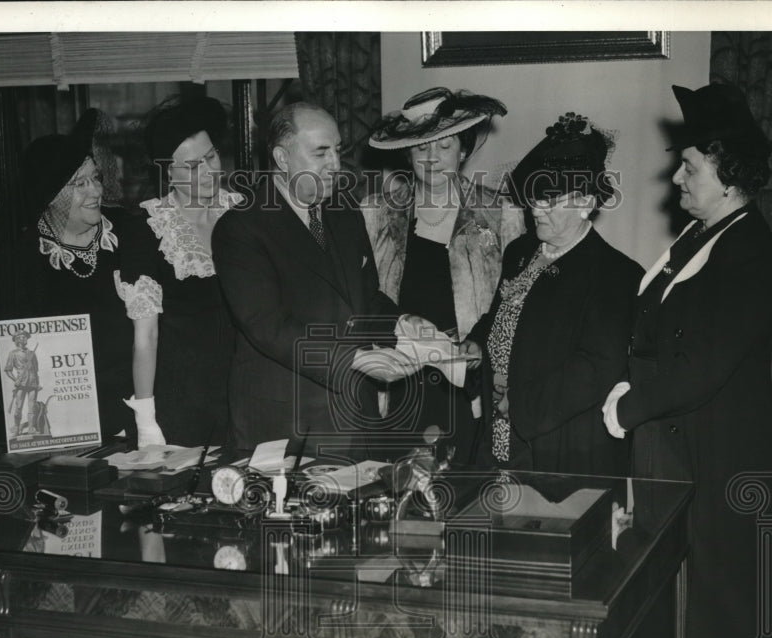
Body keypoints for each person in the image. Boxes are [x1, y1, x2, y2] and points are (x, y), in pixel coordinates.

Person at [601, 83, 772, 638]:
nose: (677, 176)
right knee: (687, 590)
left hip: (720, 448)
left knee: (719, 588)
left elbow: (702, 361)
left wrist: (630, 404)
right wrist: (631, 388)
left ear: (728, 172)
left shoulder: (749, 249)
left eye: (691, 166)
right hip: (680, 448)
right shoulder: (703, 237)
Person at [212, 102, 423, 456]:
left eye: (338, 151)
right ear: (282, 158)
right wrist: (355, 359)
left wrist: (403, 321)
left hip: (357, 417)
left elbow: (365, 298)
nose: (336, 166)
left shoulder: (345, 210)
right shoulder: (241, 227)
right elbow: (269, 326)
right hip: (286, 425)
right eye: (321, 153)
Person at [463, 112, 641, 474]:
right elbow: (504, 316)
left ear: (587, 203)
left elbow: (596, 367)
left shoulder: (616, 274)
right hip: (495, 438)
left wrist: (516, 407)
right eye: (534, 198)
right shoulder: (520, 252)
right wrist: (477, 343)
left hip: (558, 448)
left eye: (550, 200)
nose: (535, 209)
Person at [363, 87, 525, 463]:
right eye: (421, 147)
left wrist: (481, 344)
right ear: (407, 152)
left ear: (464, 150)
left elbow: (515, 300)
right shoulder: (375, 214)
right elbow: (364, 295)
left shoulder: (501, 213)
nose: (432, 158)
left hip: (467, 382)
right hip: (401, 379)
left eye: (445, 146)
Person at [0, 108, 135, 441]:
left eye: (96, 177)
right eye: (79, 183)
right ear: (51, 193)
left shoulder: (127, 234)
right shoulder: (20, 259)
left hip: (136, 410)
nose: (96, 191)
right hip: (62, 421)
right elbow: (20, 355)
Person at [115, 96, 241, 447]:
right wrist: (146, 419)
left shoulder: (244, 213)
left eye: (211, 157)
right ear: (166, 171)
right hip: (182, 404)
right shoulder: (148, 228)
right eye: (192, 166)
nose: (209, 172)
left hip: (245, 399)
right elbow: (146, 337)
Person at [4, 331, 41, 437]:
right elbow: (8, 370)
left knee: (32, 406)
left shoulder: (31, 353)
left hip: (33, 382)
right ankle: (16, 428)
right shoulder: (13, 353)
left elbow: (35, 369)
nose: (23, 338)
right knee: (18, 407)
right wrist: (15, 379)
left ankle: (31, 428)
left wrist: (38, 383)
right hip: (21, 383)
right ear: (16, 340)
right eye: (20, 337)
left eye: (25, 337)